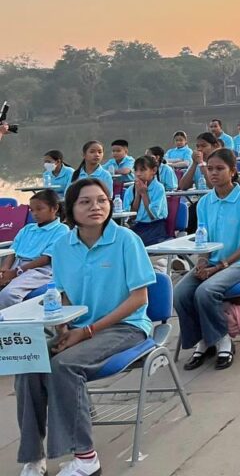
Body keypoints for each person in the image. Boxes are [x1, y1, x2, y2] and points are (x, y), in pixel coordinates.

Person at [16, 178, 155, 476]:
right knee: (29, 359)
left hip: (126, 327)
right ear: (71, 209)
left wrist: (88, 332)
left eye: (102, 200)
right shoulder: (62, 246)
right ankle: (33, 456)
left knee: (64, 365)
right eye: (86, 202)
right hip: (79, 326)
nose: (96, 207)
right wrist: (64, 328)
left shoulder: (126, 240)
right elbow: (65, 295)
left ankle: (86, 458)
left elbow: (139, 299)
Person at [175, 149, 240, 371]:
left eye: (219, 168)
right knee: (180, 293)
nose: (213, 173)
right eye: (210, 169)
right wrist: (202, 262)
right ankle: (203, 340)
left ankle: (223, 339)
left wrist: (219, 267)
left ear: (232, 171)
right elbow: (204, 240)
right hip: (214, 262)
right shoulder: (205, 203)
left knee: (206, 291)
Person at [0, 189, 69, 309]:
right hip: (17, 264)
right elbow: (12, 252)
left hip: (39, 269)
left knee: (8, 295)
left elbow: (46, 259)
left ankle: (17, 320)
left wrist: (16, 272)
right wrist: (3, 271)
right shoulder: (27, 229)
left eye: (39, 209)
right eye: (32, 210)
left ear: (54, 208)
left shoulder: (61, 230)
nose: (35, 213)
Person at [122, 155, 171, 248]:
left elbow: (153, 216)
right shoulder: (130, 189)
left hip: (155, 227)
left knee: (136, 244)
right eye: (136, 170)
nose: (138, 174)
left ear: (154, 170)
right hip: (139, 225)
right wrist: (138, 194)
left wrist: (144, 194)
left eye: (142, 170)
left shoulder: (158, 188)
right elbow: (131, 216)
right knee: (123, 241)